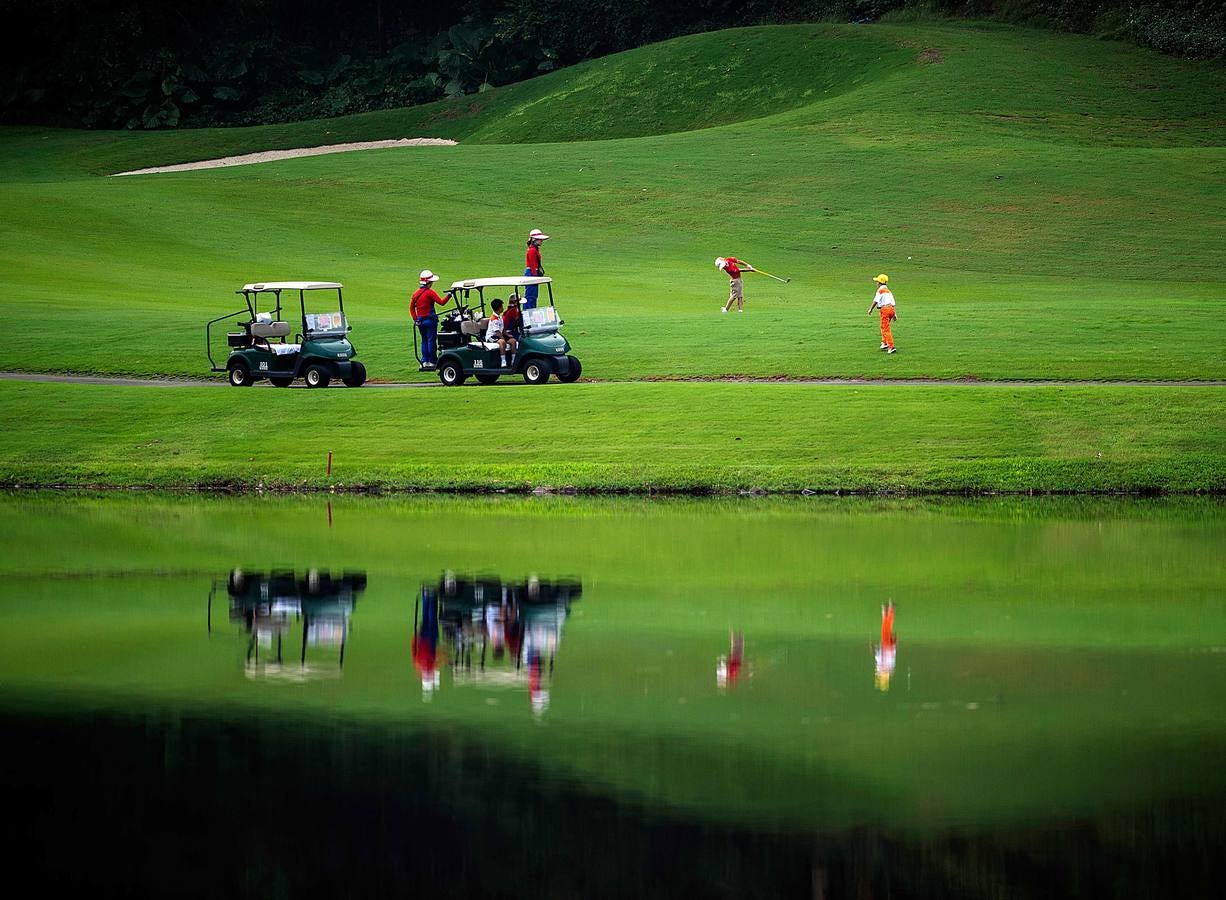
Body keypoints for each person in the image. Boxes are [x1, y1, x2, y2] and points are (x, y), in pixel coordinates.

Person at [411, 269, 449, 368]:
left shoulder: (415, 294)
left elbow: (411, 308)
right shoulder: (430, 292)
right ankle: (432, 361)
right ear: (428, 282)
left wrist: (416, 319)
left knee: (424, 340)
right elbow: (442, 302)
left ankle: (424, 361)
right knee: (431, 340)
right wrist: (450, 295)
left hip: (420, 321)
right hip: (430, 320)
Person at [867, 273, 897, 353]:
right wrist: (894, 314)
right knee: (884, 326)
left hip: (885, 309)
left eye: (877, 282)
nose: (876, 283)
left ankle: (891, 346)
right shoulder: (888, 291)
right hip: (891, 309)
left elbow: (876, 301)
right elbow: (893, 303)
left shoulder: (880, 290)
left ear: (879, 283)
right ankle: (884, 342)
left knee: (885, 328)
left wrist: (871, 309)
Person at [486, 298, 517, 368]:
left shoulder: (499, 317)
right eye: (502, 307)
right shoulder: (494, 319)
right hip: (491, 336)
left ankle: (513, 360)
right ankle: (503, 361)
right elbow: (497, 332)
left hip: (499, 335)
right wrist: (504, 339)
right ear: (499, 308)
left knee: (513, 341)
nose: (503, 308)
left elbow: (502, 330)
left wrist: (508, 335)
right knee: (502, 342)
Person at [873, 602, 897, 691]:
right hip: (886, 645)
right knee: (886, 627)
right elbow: (880, 655)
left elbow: (891, 655)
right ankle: (889, 610)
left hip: (888, 645)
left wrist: (894, 643)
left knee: (887, 627)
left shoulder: (886, 666)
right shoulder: (884, 666)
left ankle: (887, 611)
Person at [523, 228, 549, 309]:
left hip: (533, 273)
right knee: (530, 296)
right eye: (539, 239)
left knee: (533, 296)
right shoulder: (532, 250)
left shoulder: (534, 249)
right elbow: (533, 265)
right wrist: (535, 277)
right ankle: (527, 313)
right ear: (534, 240)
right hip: (532, 273)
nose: (541, 241)